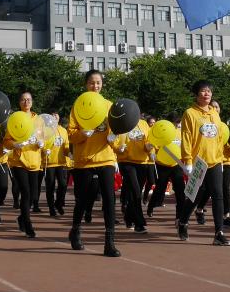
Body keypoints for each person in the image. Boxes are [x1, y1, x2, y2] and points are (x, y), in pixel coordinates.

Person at [67, 69, 121, 257]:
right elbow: (71, 135)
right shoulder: (79, 105)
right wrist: (82, 134)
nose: (95, 86)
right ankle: (75, 230)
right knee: (82, 200)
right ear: (86, 84)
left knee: (109, 199)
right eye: (91, 82)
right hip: (84, 161)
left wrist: (114, 139)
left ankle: (110, 242)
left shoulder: (109, 106)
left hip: (105, 158)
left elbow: (116, 134)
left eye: (98, 82)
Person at [177, 80, 230, 246]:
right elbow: (186, 137)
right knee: (195, 195)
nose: (207, 94)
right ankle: (183, 221)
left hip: (214, 162)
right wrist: (187, 160)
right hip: (198, 163)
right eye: (203, 91)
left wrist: (221, 158)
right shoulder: (190, 113)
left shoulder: (215, 113)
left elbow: (219, 137)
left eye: (209, 91)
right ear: (196, 94)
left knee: (218, 194)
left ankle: (218, 233)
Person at [4, 90, 43, 238]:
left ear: (32, 102)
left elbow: (43, 138)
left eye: (28, 100)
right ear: (19, 102)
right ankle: (27, 223)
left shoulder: (38, 119)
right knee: (26, 193)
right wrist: (16, 144)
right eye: (23, 100)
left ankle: (21, 217)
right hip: (19, 161)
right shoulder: (15, 118)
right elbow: (6, 142)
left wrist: (41, 143)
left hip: (35, 161)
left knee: (33, 196)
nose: (26, 102)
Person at [114, 110, 151, 234]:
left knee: (135, 192)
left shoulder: (144, 124)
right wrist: (119, 149)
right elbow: (115, 142)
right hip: (126, 162)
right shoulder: (121, 124)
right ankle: (139, 223)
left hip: (142, 162)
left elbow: (149, 141)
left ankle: (128, 217)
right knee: (136, 192)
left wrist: (150, 148)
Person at [43, 111, 70, 217]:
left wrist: (70, 152)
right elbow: (41, 143)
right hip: (49, 163)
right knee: (50, 186)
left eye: (56, 115)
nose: (54, 117)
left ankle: (58, 203)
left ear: (59, 118)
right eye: (52, 115)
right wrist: (44, 150)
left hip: (61, 162)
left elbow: (66, 145)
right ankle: (51, 208)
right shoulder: (45, 131)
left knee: (63, 185)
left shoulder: (63, 130)